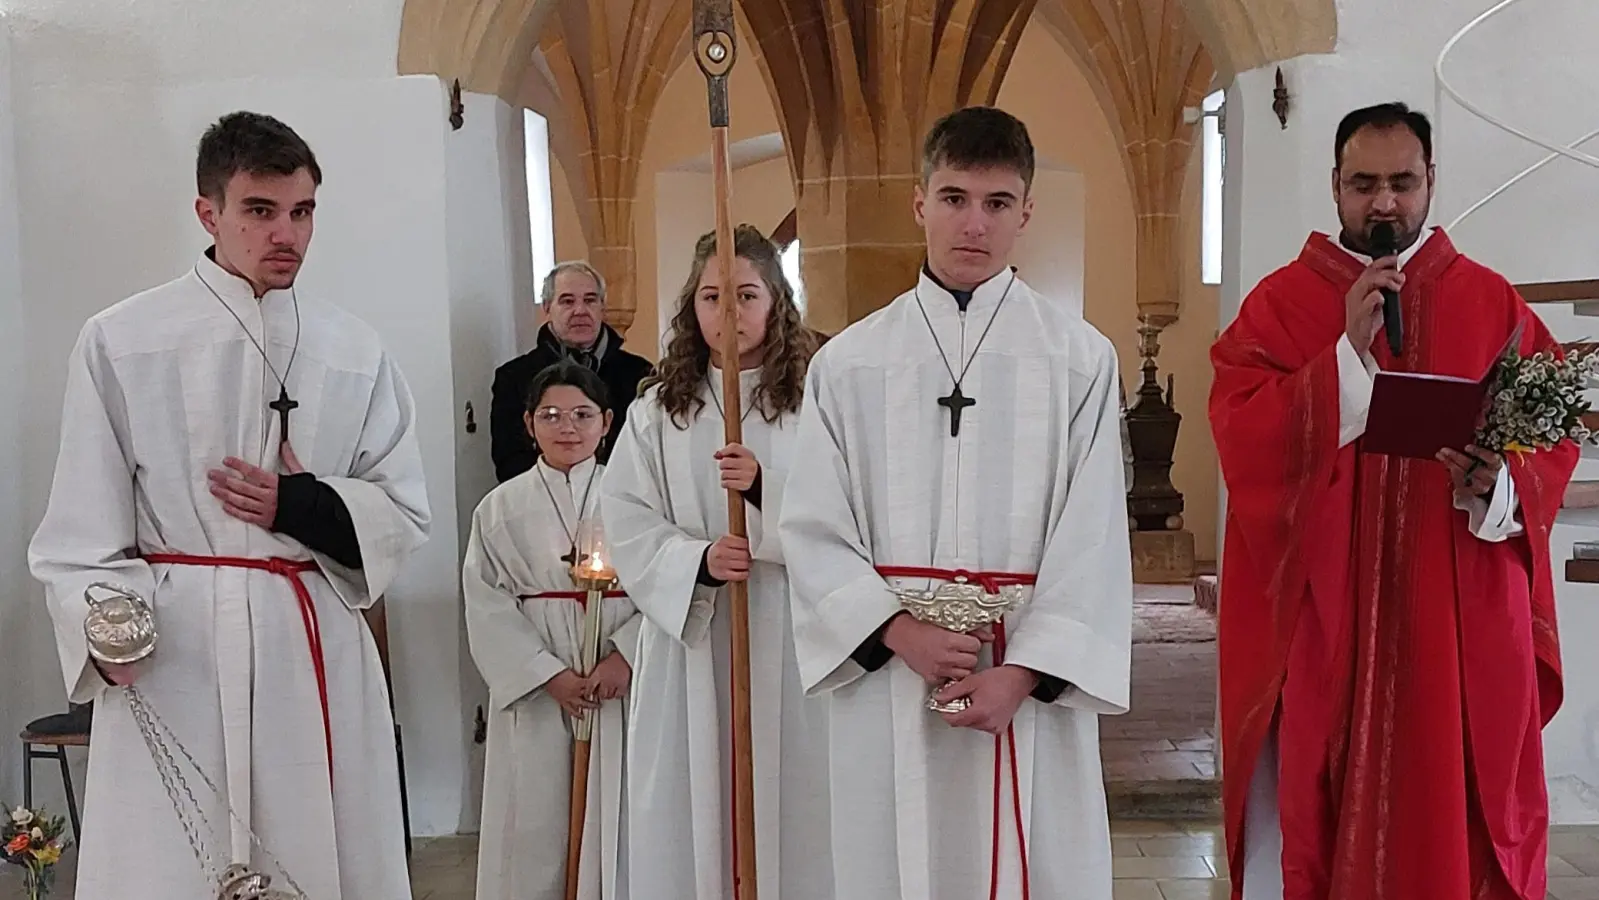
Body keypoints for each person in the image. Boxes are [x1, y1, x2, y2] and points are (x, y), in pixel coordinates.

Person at [27, 111, 430, 899]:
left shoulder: (353, 349)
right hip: (176, 646)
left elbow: (404, 510)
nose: (287, 234)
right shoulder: (123, 338)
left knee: (316, 849)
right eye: (260, 210)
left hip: (305, 636)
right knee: (170, 860)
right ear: (208, 213)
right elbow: (79, 531)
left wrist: (304, 506)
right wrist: (105, 628)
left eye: (302, 211)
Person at [1209, 101, 1577, 900]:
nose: (1383, 203)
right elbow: (1238, 432)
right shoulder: (1280, 304)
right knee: (1314, 795)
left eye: (1402, 183)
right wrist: (1340, 357)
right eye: (1363, 183)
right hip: (1324, 620)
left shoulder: (1491, 304)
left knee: (1449, 814)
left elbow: (1551, 437)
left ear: (1431, 182)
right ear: (1334, 187)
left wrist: (1497, 485)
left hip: (1453, 618)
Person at [777, 105, 1133, 900]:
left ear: (1026, 213)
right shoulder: (849, 363)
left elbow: (1095, 535)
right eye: (953, 198)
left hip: (1022, 675)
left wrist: (1025, 673)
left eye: (997, 203)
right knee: (887, 862)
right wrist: (899, 631)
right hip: (891, 675)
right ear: (918, 202)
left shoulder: (1078, 359)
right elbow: (809, 525)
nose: (973, 223)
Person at [598, 223, 833, 900]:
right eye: (710, 296)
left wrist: (762, 492)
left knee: (790, 797)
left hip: (784, 630)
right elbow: (627, 518)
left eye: (745, 294)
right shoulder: (656, 412)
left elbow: (844, 514)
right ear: (689, 307)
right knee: (690, 791)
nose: (727, 314)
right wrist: (697, 559)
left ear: (776, 302)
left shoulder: (812, 404)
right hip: (693, 636)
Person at [464, 359, 640, 900]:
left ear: (608, 422)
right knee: (536, 815)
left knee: (618, 808)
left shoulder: (638, 500)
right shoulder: (500, 508)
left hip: (614, 676)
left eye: (582, 414)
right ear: (528, 423)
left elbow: (666, 583)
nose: (568, 427)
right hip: (541, 682)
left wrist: (626, 657)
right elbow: (486, 603)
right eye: (552, 415)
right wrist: (547, 676)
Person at [492, 261, 654, 480]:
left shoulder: (640, 374)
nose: (580, 311)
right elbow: (510, 462)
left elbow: (649, 452)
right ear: (547, 307)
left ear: (602, 306)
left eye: (590, 300)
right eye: (567, 301)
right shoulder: (513, 378)